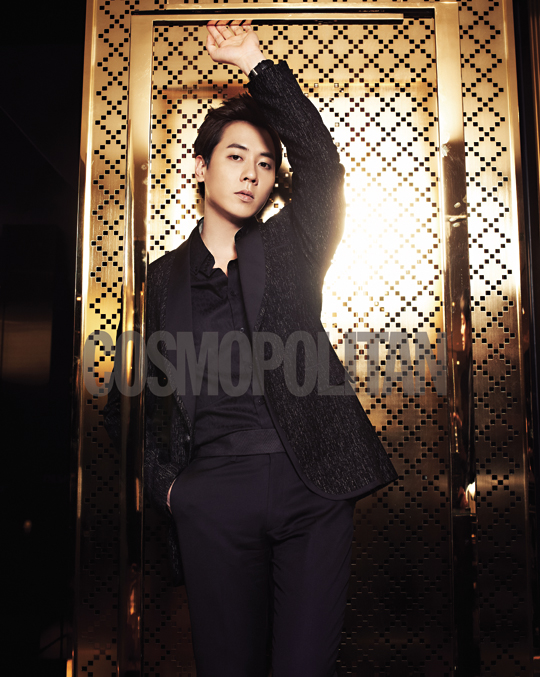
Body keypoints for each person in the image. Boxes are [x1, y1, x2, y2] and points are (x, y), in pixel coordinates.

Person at [105, 19, 397, 677]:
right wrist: (173, 490)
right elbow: (130, 404)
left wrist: (257, 65)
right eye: (236, 157)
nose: (251, 174)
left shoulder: (294, 246)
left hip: (311, 485)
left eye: (265, 164)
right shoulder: (158, 282)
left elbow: (321, 165)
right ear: (201, 167)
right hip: (212, 494)